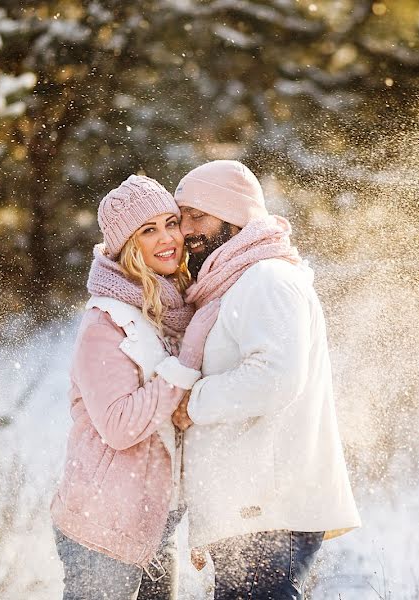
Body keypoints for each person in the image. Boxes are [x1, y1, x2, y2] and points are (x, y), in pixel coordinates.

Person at [171, 160, 361, 599]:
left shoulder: (267, 278)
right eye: (182, 217)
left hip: (268, 507)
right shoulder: (233, 284)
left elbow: (276, 377)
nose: (186, 230)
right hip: (248, 506)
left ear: (235, 218)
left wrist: (191, 403)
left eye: (198, 215)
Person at [50, 174, 219, 600]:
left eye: (170, 223)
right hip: (104, 523)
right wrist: (186, 363)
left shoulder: (173, 309)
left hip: (160, 516)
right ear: (127, 246)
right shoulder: (105, 322)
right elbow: (119, 425)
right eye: (148, 230)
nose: (168, 238)